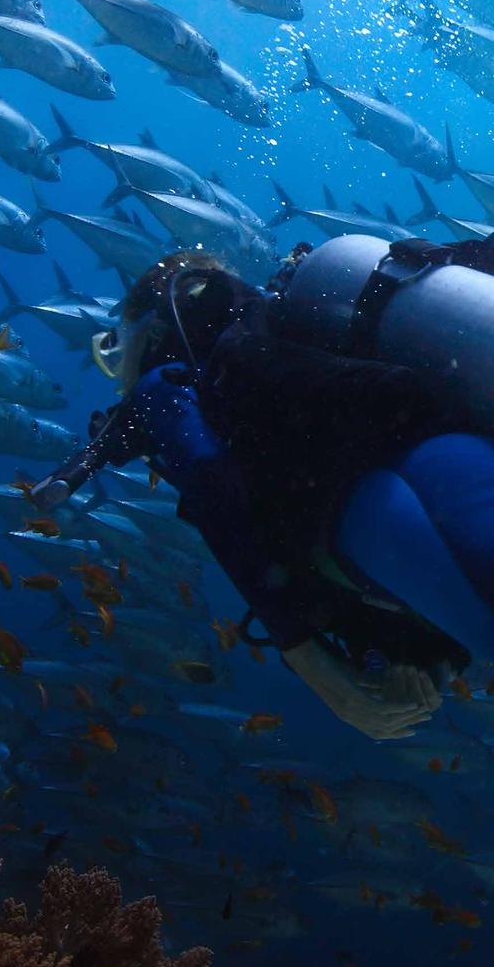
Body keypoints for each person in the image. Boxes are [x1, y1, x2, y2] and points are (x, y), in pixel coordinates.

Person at [29, 246, 494, 740]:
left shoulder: (166, 384)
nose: (119, 370)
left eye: (119, 349)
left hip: (385, 512)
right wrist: (424, 660)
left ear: (153, 331)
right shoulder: (294, 343)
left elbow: (211, 477)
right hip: (451, 461)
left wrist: (316, 669)